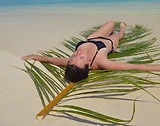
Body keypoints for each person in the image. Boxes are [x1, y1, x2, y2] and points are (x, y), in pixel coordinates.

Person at [22, 20, 160, 83]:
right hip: (109, 44)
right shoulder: (101, 62)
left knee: (111, 23)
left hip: (92, 38)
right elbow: (136, 67)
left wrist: (33, 56)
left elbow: (49, 59)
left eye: (74, 55)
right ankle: (122, 30)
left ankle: (111, 29)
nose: (78, 53)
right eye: (81, 58)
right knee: (118, 33)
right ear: (88, 63)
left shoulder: (72, 64)